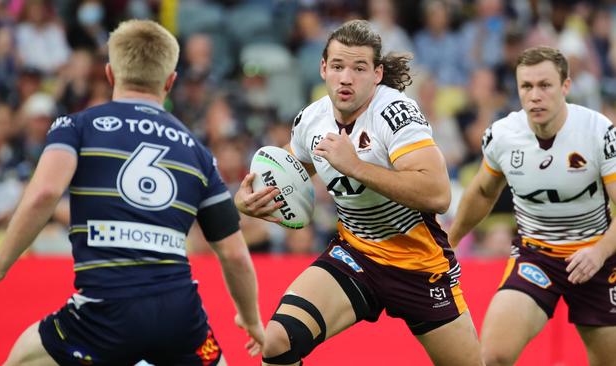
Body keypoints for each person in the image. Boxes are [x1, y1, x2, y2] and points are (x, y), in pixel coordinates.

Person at [0, 19, 264, 365]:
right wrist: (251, 317)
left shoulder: (76, 126)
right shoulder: (197, 152)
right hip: (180, 318)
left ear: (109, 74)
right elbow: (235, 255)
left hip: (104, 312)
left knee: (22, 357)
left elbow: (45, 193)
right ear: (170, 81)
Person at [236, 19, 483, 366]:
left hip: (418, 265)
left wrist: (355, 166)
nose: (346, 78)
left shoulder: (397, 114)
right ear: (323, 68)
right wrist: (249, 200)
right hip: (356, 255)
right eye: (337, 66)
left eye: (358, 68)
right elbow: (289, 174)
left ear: (377, 74)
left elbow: (438, 194)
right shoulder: (311, 120)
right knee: (277, 342)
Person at [448, 46, 616, 366]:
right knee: (493, 356)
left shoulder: (599, 133)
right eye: (526, 86)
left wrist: (599, 253)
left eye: (545, 85)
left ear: (565, 87)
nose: (535, 95)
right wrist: (450, 242)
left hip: (596, 258)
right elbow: (483, 191)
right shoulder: (503, 134)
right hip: (536, 257)